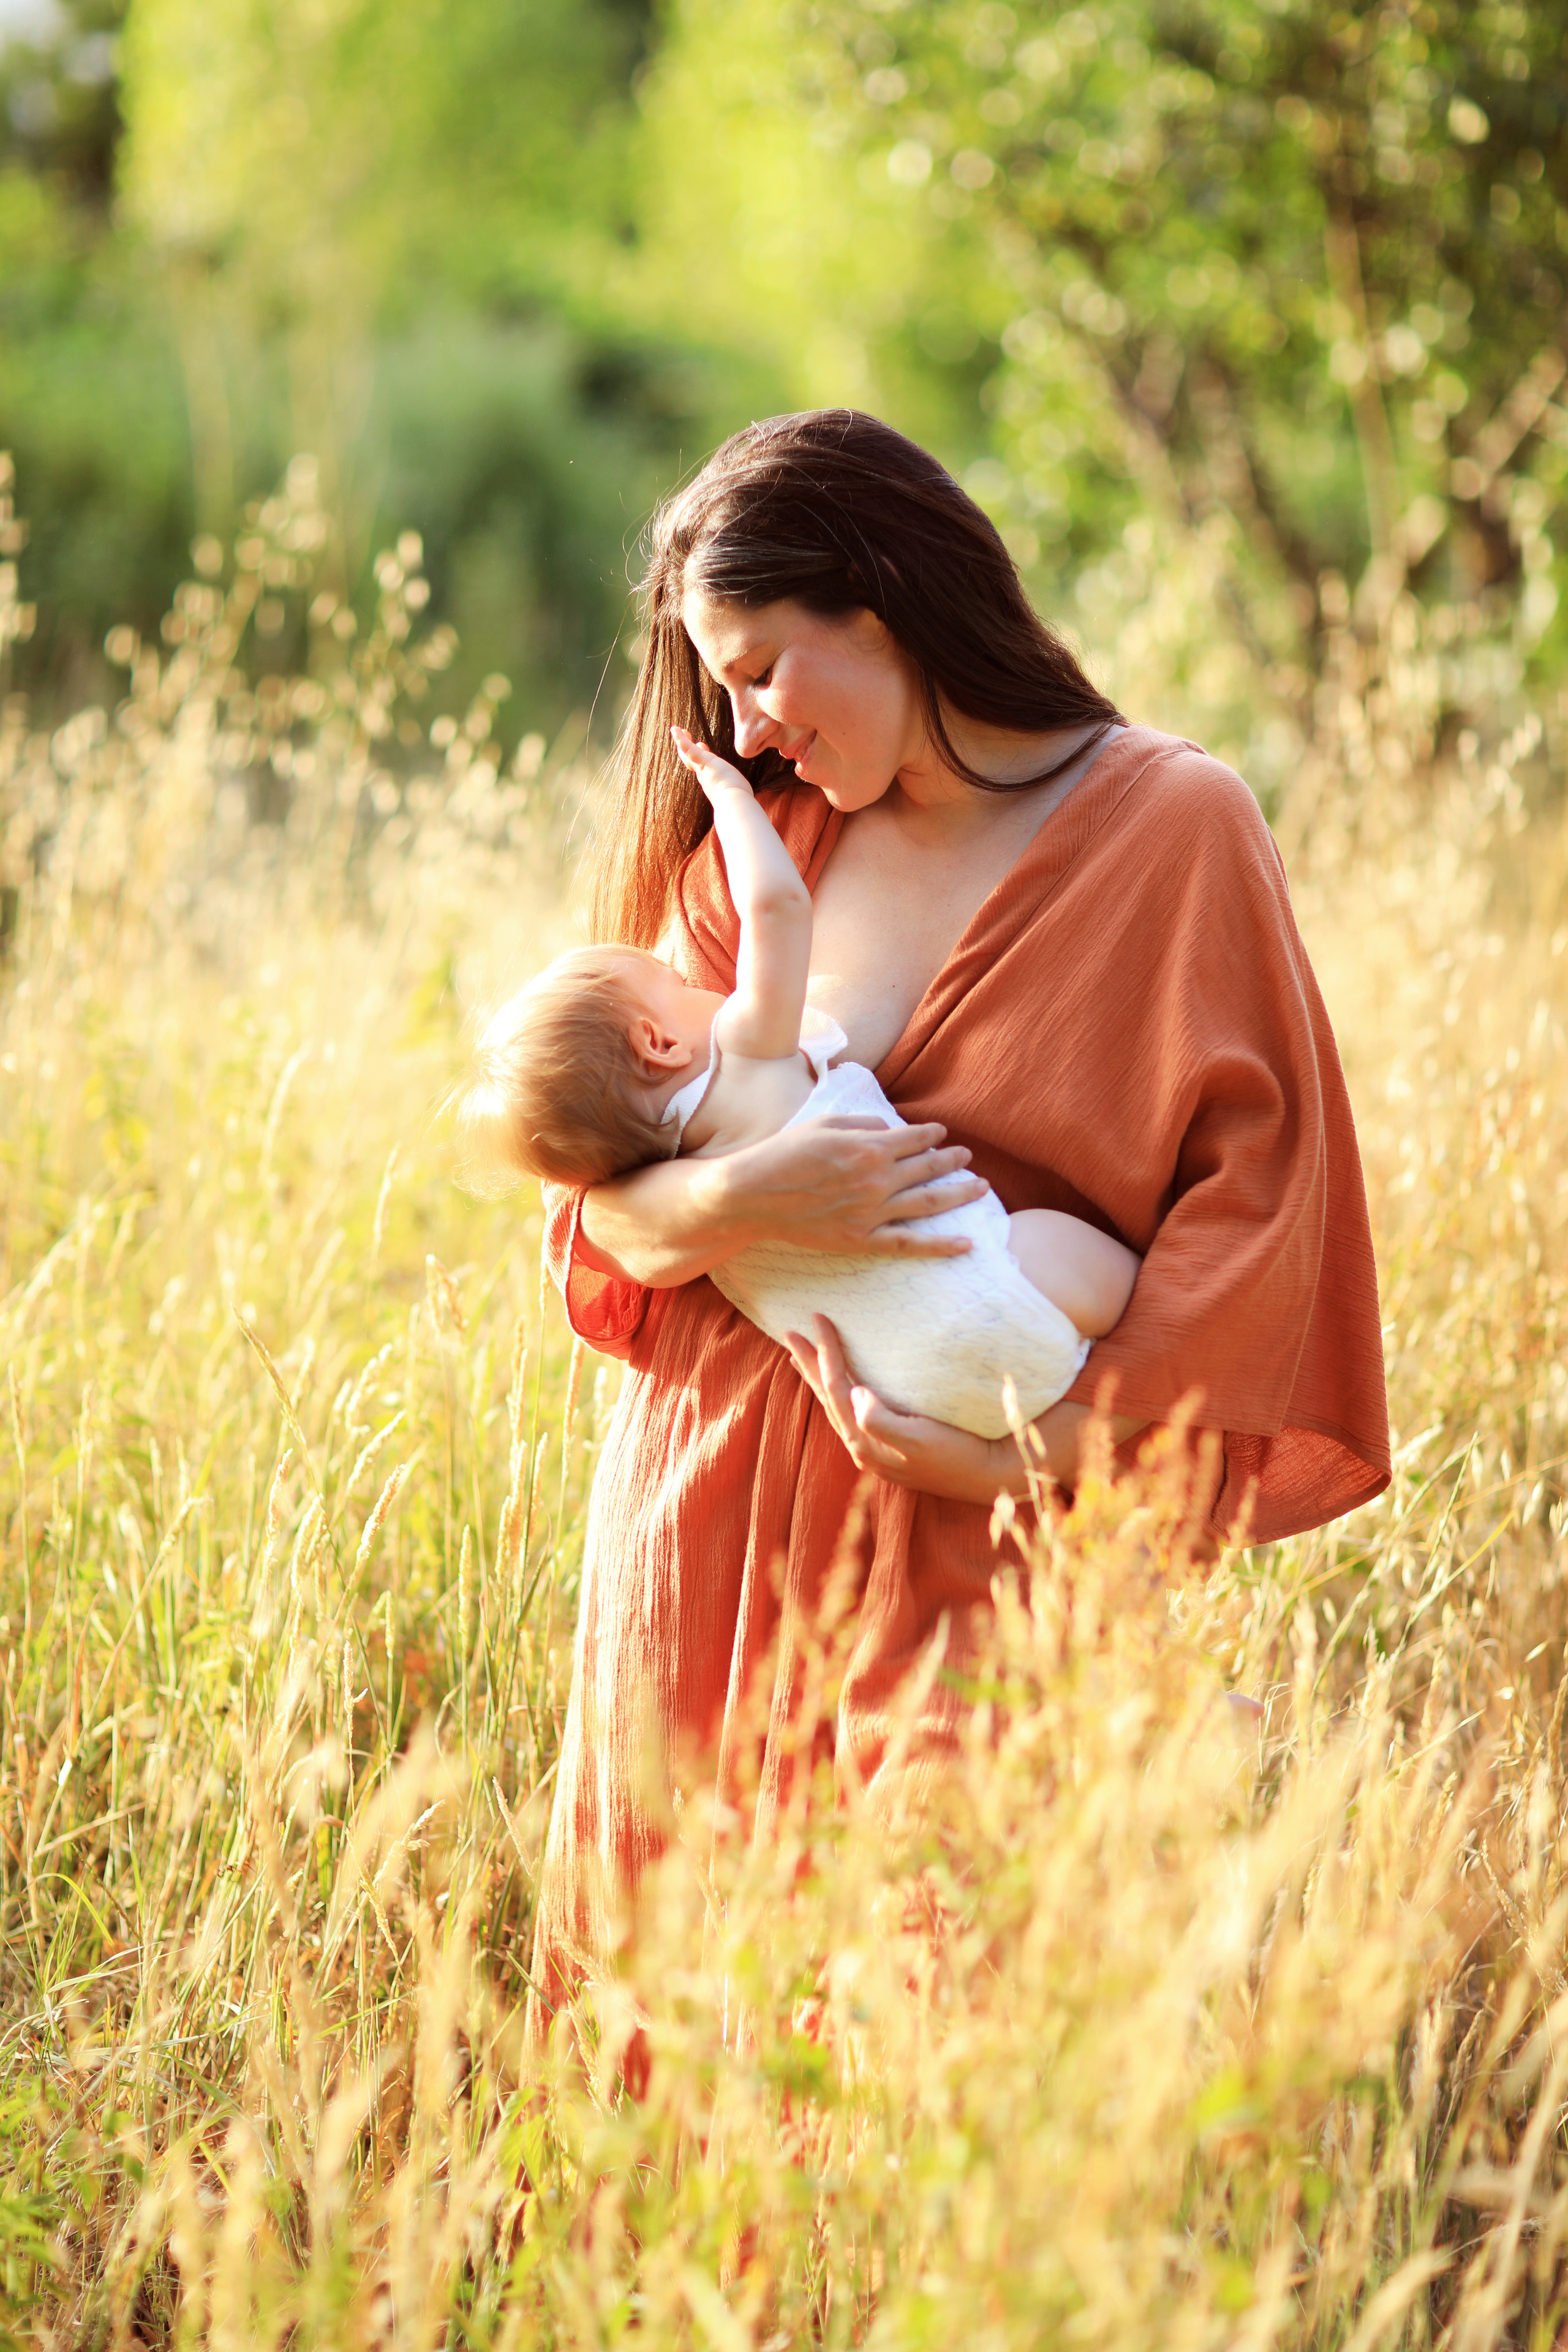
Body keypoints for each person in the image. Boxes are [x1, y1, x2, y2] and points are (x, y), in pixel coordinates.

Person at [524, 408, 1390, 2023]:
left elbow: (1252, 1242)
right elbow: (603, 1224)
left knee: (948, 2039)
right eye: (719, 686)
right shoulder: (767, 837)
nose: (747, 725)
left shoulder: (1177, 833)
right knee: (691, 2037)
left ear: (884, 589)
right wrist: (746, 1191)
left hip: (989, 1539)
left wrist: (1012, 1458)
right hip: (701, 1519)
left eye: (765, 665)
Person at [454, 725, 1140, 1438]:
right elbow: (777, 910)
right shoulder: (745, 1055)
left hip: (912, 1390)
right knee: (1101, 1266)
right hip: (997, 1288)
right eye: (672, 980)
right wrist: (731, 800)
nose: (695, 980)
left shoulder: (680, 1192)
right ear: (657, 1044)